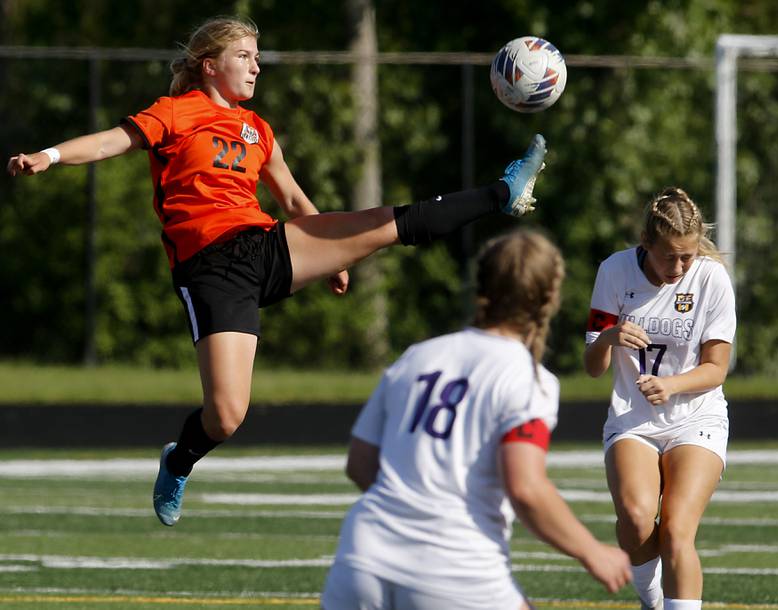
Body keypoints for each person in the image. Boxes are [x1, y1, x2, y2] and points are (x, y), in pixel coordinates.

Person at [6, 16, 549, 527]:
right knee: (226, 416)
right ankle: (180, 460)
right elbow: (109, 141)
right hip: (210, 269)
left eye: (258, 57)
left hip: (265, 245)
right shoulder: (176, 112)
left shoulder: (257, 130)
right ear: (209, 65)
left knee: (389, 225)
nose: (256, 66)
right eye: (244, 55)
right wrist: (48, 156)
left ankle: (502, 193)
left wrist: (334, 252)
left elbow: (290, 196)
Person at [321, 230, 631, 610]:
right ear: (549, 299)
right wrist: (592, 552)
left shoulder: (417, 355)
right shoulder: (528, 378)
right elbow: (525, 488)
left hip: (362, 558)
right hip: (455, 569)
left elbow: (360, 464)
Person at [583, 187, 737, 610]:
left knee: (676, 531)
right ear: (646, 243)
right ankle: (652, 600)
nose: (680, 266)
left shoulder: (710, 277)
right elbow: (593, 365)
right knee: (635, 520)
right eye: (670, 256)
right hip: (633, 419)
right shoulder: (614, 271)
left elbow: (717, 368)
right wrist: (609, 339)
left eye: (687, 255)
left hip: (696, 416)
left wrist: (672, 385)